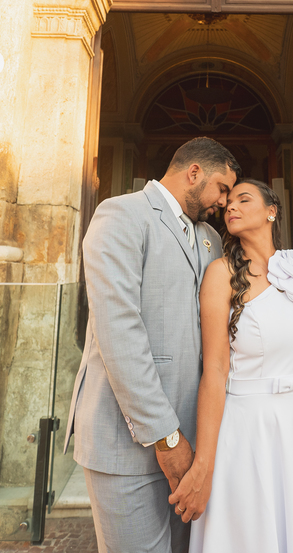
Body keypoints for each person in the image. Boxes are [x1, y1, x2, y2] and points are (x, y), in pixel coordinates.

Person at [64, 137, 241, 553]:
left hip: (193, 447)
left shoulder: (210, 240)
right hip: (126, 444)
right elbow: (119, 330)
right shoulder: (121, 214)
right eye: (221, 188)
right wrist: (167, 437)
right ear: (193, 173)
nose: (224, 202)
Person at [170, 179, 293, 552]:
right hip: (246, 429)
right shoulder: (221, 275)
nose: (231, 207)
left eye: (244, 199)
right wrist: (203, 464)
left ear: (272, 211)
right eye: (229, 202)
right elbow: (215, 372)